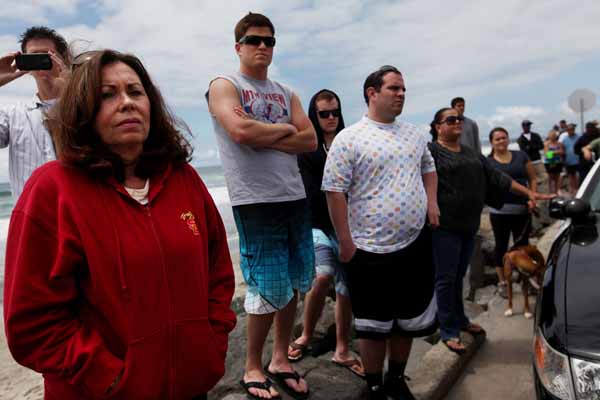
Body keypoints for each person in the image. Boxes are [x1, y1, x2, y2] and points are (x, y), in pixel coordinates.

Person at [3, 50, 236, 400]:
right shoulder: (52, 189)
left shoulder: (184, 179)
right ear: (83, 109)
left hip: (192, 387)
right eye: (107, 94)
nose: (126, 102)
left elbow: (217, 272)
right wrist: (108, 378)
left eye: (135, 91)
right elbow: (32, 322)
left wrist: (211, 345)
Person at [207, 12, 317, 400]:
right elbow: (239, 131)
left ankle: (281, 358)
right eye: (255, 40)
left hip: (294, 195)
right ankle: (253, 365)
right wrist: (285, 130)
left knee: (297, 280)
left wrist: (265, 134)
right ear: (239, 46)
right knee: (264, 285)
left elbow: (310, 141)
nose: (263, 48)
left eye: (270, 41)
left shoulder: (286, 92)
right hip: (256, 200)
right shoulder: (225, 85)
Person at [323, 65, 440, 400]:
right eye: (394, 88)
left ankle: (396, 378)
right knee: (373, 326)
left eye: (403, 89)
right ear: (372, 93)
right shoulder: (350, 138)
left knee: (409, 318)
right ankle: (374, 385)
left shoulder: (414, 134)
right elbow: (333, 191)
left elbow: (428, 168)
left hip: (414, 244)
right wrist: (345, 241)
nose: (401, 94)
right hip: (368, 249)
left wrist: (432, 203)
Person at [428, 107, 553, 355]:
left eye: (459, 119)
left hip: (469, 226)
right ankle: (448, 330)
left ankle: (461, 319)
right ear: (437, 127)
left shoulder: (471, 153)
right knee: (445, 279)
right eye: (450, 119)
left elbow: (499, 178)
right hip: (443, 227)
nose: (457, 122)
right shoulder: (431, 152)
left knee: (458, 276)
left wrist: (529, 192)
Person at [289, 89, 364, 377]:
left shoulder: (350, 142)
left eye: (335, 112)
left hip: (350, 226)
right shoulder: (308, 147)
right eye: (324, 113)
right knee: (322, 275)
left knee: (346, 288)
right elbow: (312, 192)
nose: (331, 118)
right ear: (314, 115)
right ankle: (306, 335)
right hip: (317, 224)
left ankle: (342, 348)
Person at [0, 26, 70, 199]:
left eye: (47, 54)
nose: (40, 61)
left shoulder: (85, 106)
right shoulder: (12, 114)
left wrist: (72, 87)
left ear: (62, 59)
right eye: (33, 56)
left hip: (78, 217)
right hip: (30, 220)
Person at [487, 127, 537, 298]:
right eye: (497, 139)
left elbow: (533, 178)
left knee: (523, 245)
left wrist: (533, 198)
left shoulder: (521, 156)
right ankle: (502, 282)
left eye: (504, 137)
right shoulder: (488, 162)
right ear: (492, 142)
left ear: (508, 139)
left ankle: (527, 279)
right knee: (500, 246)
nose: (501, 141)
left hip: (523, 210)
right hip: (499, 212)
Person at [559, 123, 580, 196]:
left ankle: (577, 189)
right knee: (570, 176)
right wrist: (563, 160)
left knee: (577, 175)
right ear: (567, 130)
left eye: (572, 129)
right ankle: (572, 189)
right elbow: (562, 149)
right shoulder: (564, 139)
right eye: (569, 129)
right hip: (568, 160)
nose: (571, 131)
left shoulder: (579, 136)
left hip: (578, 160)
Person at [543, 129, 564, 194]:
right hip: (549, 163)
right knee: (550, 178)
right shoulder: (546, 144)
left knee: (557, 177)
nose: (553, 137)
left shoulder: (559, 143)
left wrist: (552, 152)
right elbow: (547, 154)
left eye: (554, 135)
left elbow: (562, 152)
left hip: (558, 162)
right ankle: (551, 192)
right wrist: (556, 152)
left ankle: (556, 191)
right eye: (551, 135)